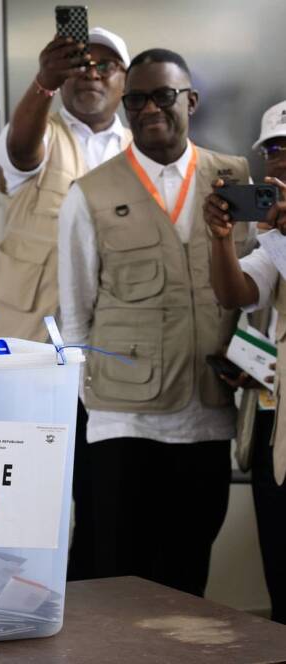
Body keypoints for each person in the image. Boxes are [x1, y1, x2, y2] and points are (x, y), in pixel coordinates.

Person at [58, 48, 254, 597]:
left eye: (163, 96)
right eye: (136, 99)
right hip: (123, 421)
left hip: (208, 413)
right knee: (121, 575)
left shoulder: (233, 178)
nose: (149, 109)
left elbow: (256, 287)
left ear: (191, 100)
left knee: (188, 573)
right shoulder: (90, 193)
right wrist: (93, 402)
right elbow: (75, 313)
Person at [0, 27, 130, 582]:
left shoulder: (140, 147)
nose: (91, 72)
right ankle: (12, 616)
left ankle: (89, 615)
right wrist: (43, 84)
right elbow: (19, 153)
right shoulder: (37, 132)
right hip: (33, 359)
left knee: (101, 506)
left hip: (108, 365)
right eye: (80, 62)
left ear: (125, 81)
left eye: (105, 64)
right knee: (23, 506)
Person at [204, 100, 286, 622]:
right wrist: (220, 241)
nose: (281, 159)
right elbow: (235, 292)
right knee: (280, 572)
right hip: (273, 425)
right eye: (273, 149)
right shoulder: (272, 236)